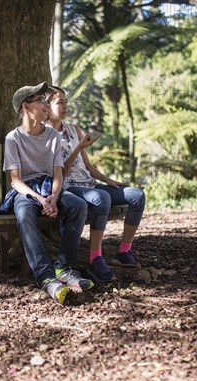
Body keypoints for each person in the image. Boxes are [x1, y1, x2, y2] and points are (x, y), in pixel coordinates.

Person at [3, 82, 93, 305]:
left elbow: (57, 174)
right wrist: (40, 199)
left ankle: (64, 267)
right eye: (41, 101)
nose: (45, 105)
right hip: (25, 191)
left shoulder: (53, 136)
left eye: (46, 100)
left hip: (49, 187)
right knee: (24, 214)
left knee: (77, 205)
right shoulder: (13, 139)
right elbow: (15, 180)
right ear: (26, 106)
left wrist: (53, 196)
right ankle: (45, 276)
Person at [45, 85, 146, 282]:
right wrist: (78, 148)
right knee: (102, 198)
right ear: (47, 107)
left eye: (66, 102)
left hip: (89, 184)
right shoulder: (46, 136)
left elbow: (88, 166)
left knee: (136, 195)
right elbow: (60, 173)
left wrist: (109, 180)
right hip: (68, 187)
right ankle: (95, 260)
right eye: (60, 103)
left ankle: (123, 253)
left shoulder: (74, 130)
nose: (65, 106)